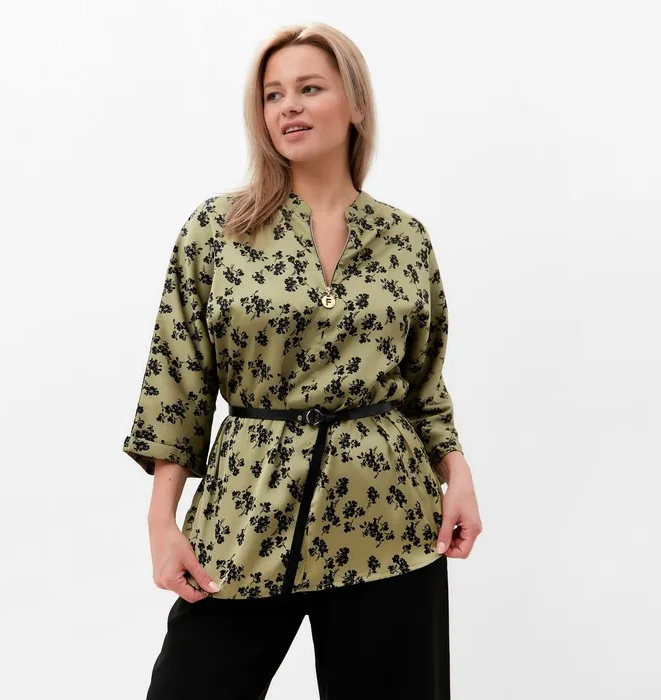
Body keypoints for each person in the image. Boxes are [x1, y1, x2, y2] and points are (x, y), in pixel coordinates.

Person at [122, 21, 483, 700]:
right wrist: (161, 521)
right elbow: (178, 380)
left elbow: (424, 383)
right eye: (273, 94)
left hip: (388, 521)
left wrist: (456, 473)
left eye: (309, 88)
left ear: (356, 104)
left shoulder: (404, 238)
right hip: (248, 511)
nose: (288, 106)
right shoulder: (217, 231)